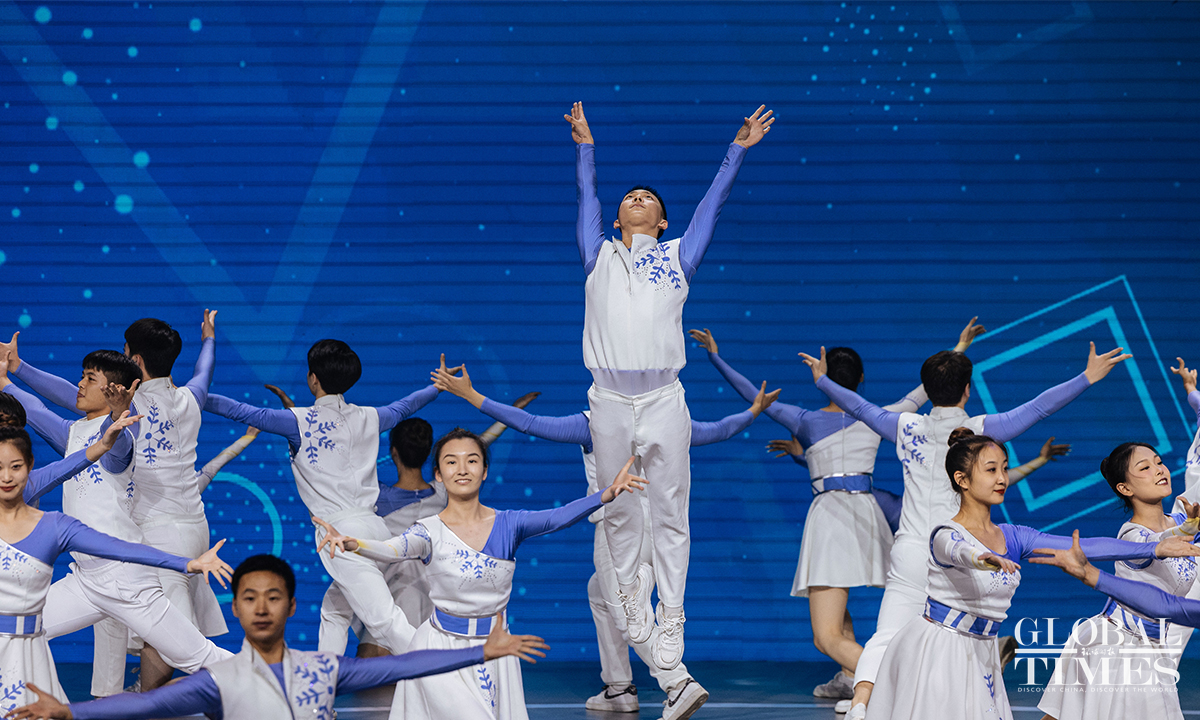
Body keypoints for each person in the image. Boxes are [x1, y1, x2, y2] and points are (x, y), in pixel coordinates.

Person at [430, 355, 777, 719]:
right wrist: (753, 411)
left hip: (620, 530)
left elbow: (531, 423)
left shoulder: (596, 421)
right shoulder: (667, 417)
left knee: (626, 611)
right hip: (660, 530)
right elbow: (718, 430)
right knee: (599, 593)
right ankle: (619, 688)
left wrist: (471, 395)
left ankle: (678, 683)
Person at [797, 340, 1131, 718]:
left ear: (927, 389)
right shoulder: (979, 431)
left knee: (887, 635)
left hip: (911, 551)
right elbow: (1038, 407)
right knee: (968, 638)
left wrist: (823, 381)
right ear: (967, 389)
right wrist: (1086, 377)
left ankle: (861, 705)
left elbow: (859, 407)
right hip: (964, 551)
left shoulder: (906, 424)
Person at [564, 100, 774, 670]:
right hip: (607, 399)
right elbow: (587, 197)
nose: (637, 199)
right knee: (617, 508)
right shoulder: (597, 256)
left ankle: (673, 612)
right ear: (616, 220)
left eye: (648, 198)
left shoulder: (679, 255)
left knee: (670, 512)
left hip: (663, 398)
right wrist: (586, 148)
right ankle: (632, 597)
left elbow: (712, 204)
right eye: (629, 197)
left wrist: (736, 150)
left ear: (662, 222)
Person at [314, 428, 647, 720]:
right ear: (438, 474)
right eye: (451, 462)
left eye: (472, 460)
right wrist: (352, 543)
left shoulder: (509, 523)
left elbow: (556, 517)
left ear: (485, 471)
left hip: (495, 650)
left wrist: (606, 494)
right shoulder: (427, 531)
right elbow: (390, 549)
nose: (462, 469)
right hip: (439, 650)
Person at [866, 428, 1200, 720]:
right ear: (962, 480)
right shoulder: (945, 533)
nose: (1002, 478)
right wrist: (980, 558)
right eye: (991, 470)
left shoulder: (1014, 537)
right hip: (938, 648)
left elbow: (1087, 546)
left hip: (981, 650)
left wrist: (1156, 547)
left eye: (1004, 468)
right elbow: (953, 549)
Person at [6, 554, 548, 720]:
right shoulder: (219, 681)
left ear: (290, 605)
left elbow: (403, 665)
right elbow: (144, 705)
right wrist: (70, 712)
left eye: (273, 597)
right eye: (249, 598)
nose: (262, 608)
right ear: (236, 609)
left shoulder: (321, 670)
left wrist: (483, 651)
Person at [0, 345, 234, 685]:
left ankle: (281, 686)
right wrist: (8, 376)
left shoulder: (121, 434)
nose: (79, 385)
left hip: (127, 580)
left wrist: (117, 417)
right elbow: (34, 409)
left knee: (198, 656)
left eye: (89, 379)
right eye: (82, 376)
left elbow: (116, 447)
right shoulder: (73, 432)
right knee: (13, 629)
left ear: (114, 390)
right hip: (85, 580)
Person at [202, 339, 443, 655]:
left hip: (340, 536)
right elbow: (407, 405)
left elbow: (239, 411)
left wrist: (188, 397)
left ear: (313, 378)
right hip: (376, 531)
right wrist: (438, 386)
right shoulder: (371, 416)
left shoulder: (298, 420)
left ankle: (444, 672)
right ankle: (326, 679)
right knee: (334, 612)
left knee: (384, 620)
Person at [1037, 442, 1199, 720]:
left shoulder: (1185, 519)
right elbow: (1153, 544)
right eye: (1144, 468)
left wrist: (1187, 527)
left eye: (1159, 462)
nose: (1159, 470)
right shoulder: (1131, 535)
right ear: (1125, 488)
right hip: (1116, 646)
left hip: (1151, 645)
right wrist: (1185, 530)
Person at [1167, 357, 1200, 652]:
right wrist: (1189, 385)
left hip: (1194, 542)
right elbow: (1196, 402)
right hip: (1180, 529)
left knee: (1173, 633)